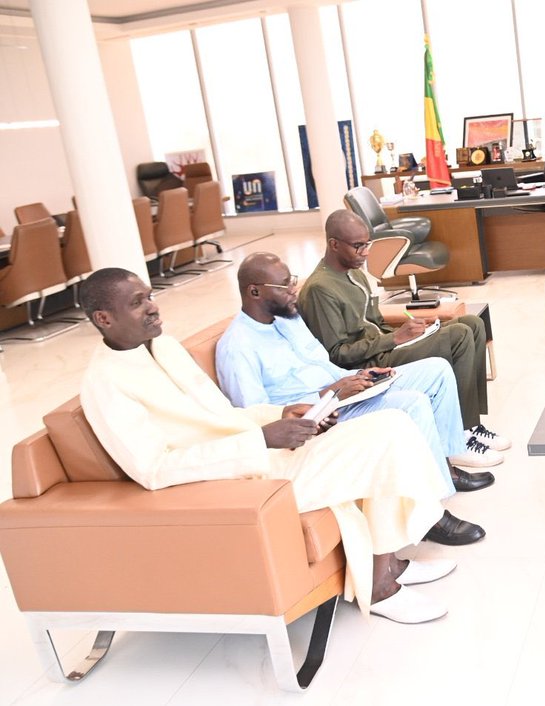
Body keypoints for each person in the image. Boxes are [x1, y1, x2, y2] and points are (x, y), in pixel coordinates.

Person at [78, 268, 470, 625]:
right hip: (231, 483)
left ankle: (390, 565)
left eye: (149, 296)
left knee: (392, 425)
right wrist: (259, 440)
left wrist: (281, 414)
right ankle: (381, 586)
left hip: (256, 455)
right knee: (382, 441)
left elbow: (222, 416)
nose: (152, 308)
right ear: (103, 318)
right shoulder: (105, 384)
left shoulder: (163, 347)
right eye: (137, 303)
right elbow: (154, 470)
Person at [216, 253, 500, 501]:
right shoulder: (237, 347)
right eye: (285, 285)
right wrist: (330, 392)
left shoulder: (288, 319)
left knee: (437, 369)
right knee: (412, 403)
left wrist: (360, 376)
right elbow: (256, 417)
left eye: (293, 280)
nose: (293, 291)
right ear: (254, 292)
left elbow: (325, 365)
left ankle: (448, 461)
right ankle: (436, 498)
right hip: (322, 416)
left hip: (345, 391)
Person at [297, 210, 508, 457]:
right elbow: (336, 354)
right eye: (358, 246)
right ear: (333, 244)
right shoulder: (320, 289)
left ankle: (471, 424)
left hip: (386, 347)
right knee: (459, 335)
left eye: (367, 244)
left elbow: (375, 322)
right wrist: (395, 338)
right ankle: (457, 438)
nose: (365, 252)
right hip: (367, 364)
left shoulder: (355, 273)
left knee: (473, 323)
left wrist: (414, 330)